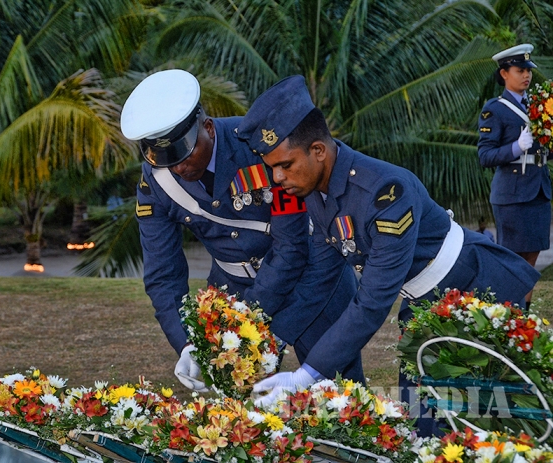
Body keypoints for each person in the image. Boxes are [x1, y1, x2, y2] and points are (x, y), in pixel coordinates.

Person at [236, 75, 539, 431]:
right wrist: (269, 338)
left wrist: (307, 373)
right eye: (272, 167)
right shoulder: (318, 194)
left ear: (318, 151)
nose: (276, 178)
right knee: (423, 426)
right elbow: (319, 277)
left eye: (285, 165)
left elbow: (373, 300)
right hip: (423, 304)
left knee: (493, 423)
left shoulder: (384, 192)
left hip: (474, 288)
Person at [120, 69, 361, 392]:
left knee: (338, 394)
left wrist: (250, 319)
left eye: (183, 152)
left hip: (311, 279)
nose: (177, 167)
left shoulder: (259, 146)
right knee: (240, 408)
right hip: (232, 291)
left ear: (207, 128)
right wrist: (187, 342)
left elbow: (291, 246)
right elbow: (163, 274)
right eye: (164, 158)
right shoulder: (156, 181)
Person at [478, 44, 551, 309]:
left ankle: (522, 316)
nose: (526, 75)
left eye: (528, 70)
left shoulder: (540, 105)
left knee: (531, 259)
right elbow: (485, 156)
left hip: (539, 190)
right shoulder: (495, 109)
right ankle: (507, 314)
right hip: (512, 194)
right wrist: (516, 147)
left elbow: (545, 149)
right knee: (512, 259)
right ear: (504, 73)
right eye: (520, 70)